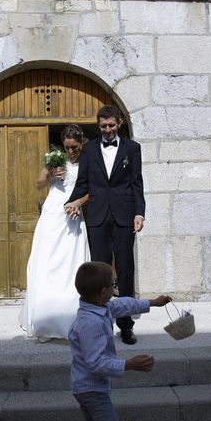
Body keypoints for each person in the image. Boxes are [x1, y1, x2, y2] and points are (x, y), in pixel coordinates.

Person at [65, 105, 146, 345]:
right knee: (100, 273)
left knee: (125, 269)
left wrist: (139, 213)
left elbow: (136, 184)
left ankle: (126, 325)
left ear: (118, 123)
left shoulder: (133, 149)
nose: (108, 130)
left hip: (124, 215)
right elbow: (83, 183)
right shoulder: (89, 149)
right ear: (98, 126)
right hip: (97, 217)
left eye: (111, 125)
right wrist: (72, 202)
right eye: (103, 126)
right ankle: (101, 326)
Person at [68, 261, 171, 421]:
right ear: (103, 292)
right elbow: (96, 362)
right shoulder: (91, 323)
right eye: (113, 285)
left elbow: (124, 305)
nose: (114, 288)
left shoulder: (100, 307)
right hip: (91, 390)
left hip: (86, 387)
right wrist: (129, 364)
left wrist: (152, 303)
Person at [18, 125, 91, 341]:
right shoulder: (55, 158)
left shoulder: (88, 161)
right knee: (47, 263)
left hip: (73, 216)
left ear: (81, 144)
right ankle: (45, 320)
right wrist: (50, 175)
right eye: (67, 147)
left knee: (71, 265)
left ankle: (72, 319)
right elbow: (38, 184)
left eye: (74, 148)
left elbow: (92, 189)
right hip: (52, 215)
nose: (70, 152)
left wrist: (78, 204)